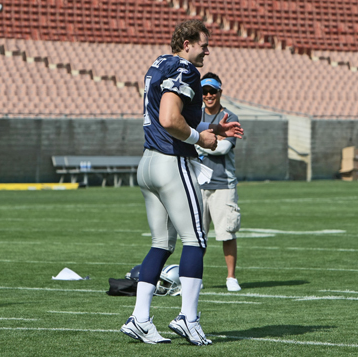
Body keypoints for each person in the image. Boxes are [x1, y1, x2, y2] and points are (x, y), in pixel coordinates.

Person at [120, 20, 243, 346]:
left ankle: (140, 319)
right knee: (196, 240)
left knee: (161, 243)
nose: (208, 49)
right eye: (204, 43)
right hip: (171, 161)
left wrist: (213, 130)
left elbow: (171, 115)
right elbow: (170, 119)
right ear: (187, 42)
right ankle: (188, 317)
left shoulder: (158, 64)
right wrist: (200, 136)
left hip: (147, 162)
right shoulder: (186, 70)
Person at [195, 72, 242, 292]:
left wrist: (198, 143)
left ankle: (231, 277)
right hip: (197, 183)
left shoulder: (230, 116)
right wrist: (210, 140)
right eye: (204, 91)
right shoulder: (195, 116)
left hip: (223, 183)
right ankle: (195, 277)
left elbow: (223, 148)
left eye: (212, 91)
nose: (208, 95)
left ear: (220, 92)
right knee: (196, 236)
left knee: (227, 232)